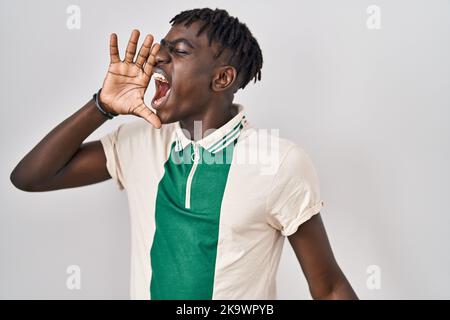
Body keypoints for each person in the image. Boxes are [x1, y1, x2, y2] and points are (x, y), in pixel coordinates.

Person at [10, 8, 357, 300]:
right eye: (162, 46)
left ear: (221, 78)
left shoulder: (278, 162)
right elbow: (31, 177)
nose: (158, 56)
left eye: (179, 50)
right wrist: (102, 105)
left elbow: (328, 288)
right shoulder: (139, 141)